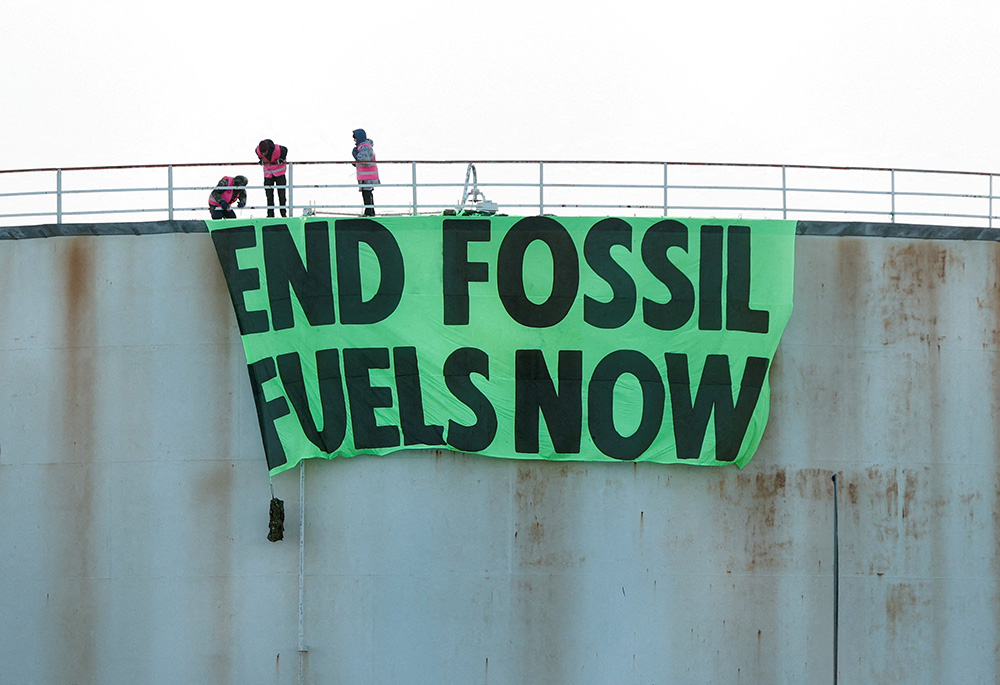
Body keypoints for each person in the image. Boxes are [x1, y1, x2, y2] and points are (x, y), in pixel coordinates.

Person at [255, 139, 289, 217]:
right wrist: (261, 160)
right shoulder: (258, 150)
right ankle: (270, 214)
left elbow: (285, 150)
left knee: (282, 195)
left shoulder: (279, 149)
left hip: (280, 174)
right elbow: (258, 153)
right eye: (262, 153)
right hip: (268, 175)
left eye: (265, 152)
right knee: (269, 195)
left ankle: (283, 214)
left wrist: (282, 159)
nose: (263, 154)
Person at [351, 129, 379, 216]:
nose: (354, 140)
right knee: (367, 193)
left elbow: (365, 160)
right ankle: (369, 211)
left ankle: (369, 212)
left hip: (367, 176)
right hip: (367, 175)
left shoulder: (364, 146)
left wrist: (355, 155)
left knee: (367, 194)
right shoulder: (365, 146)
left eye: (355, 138)